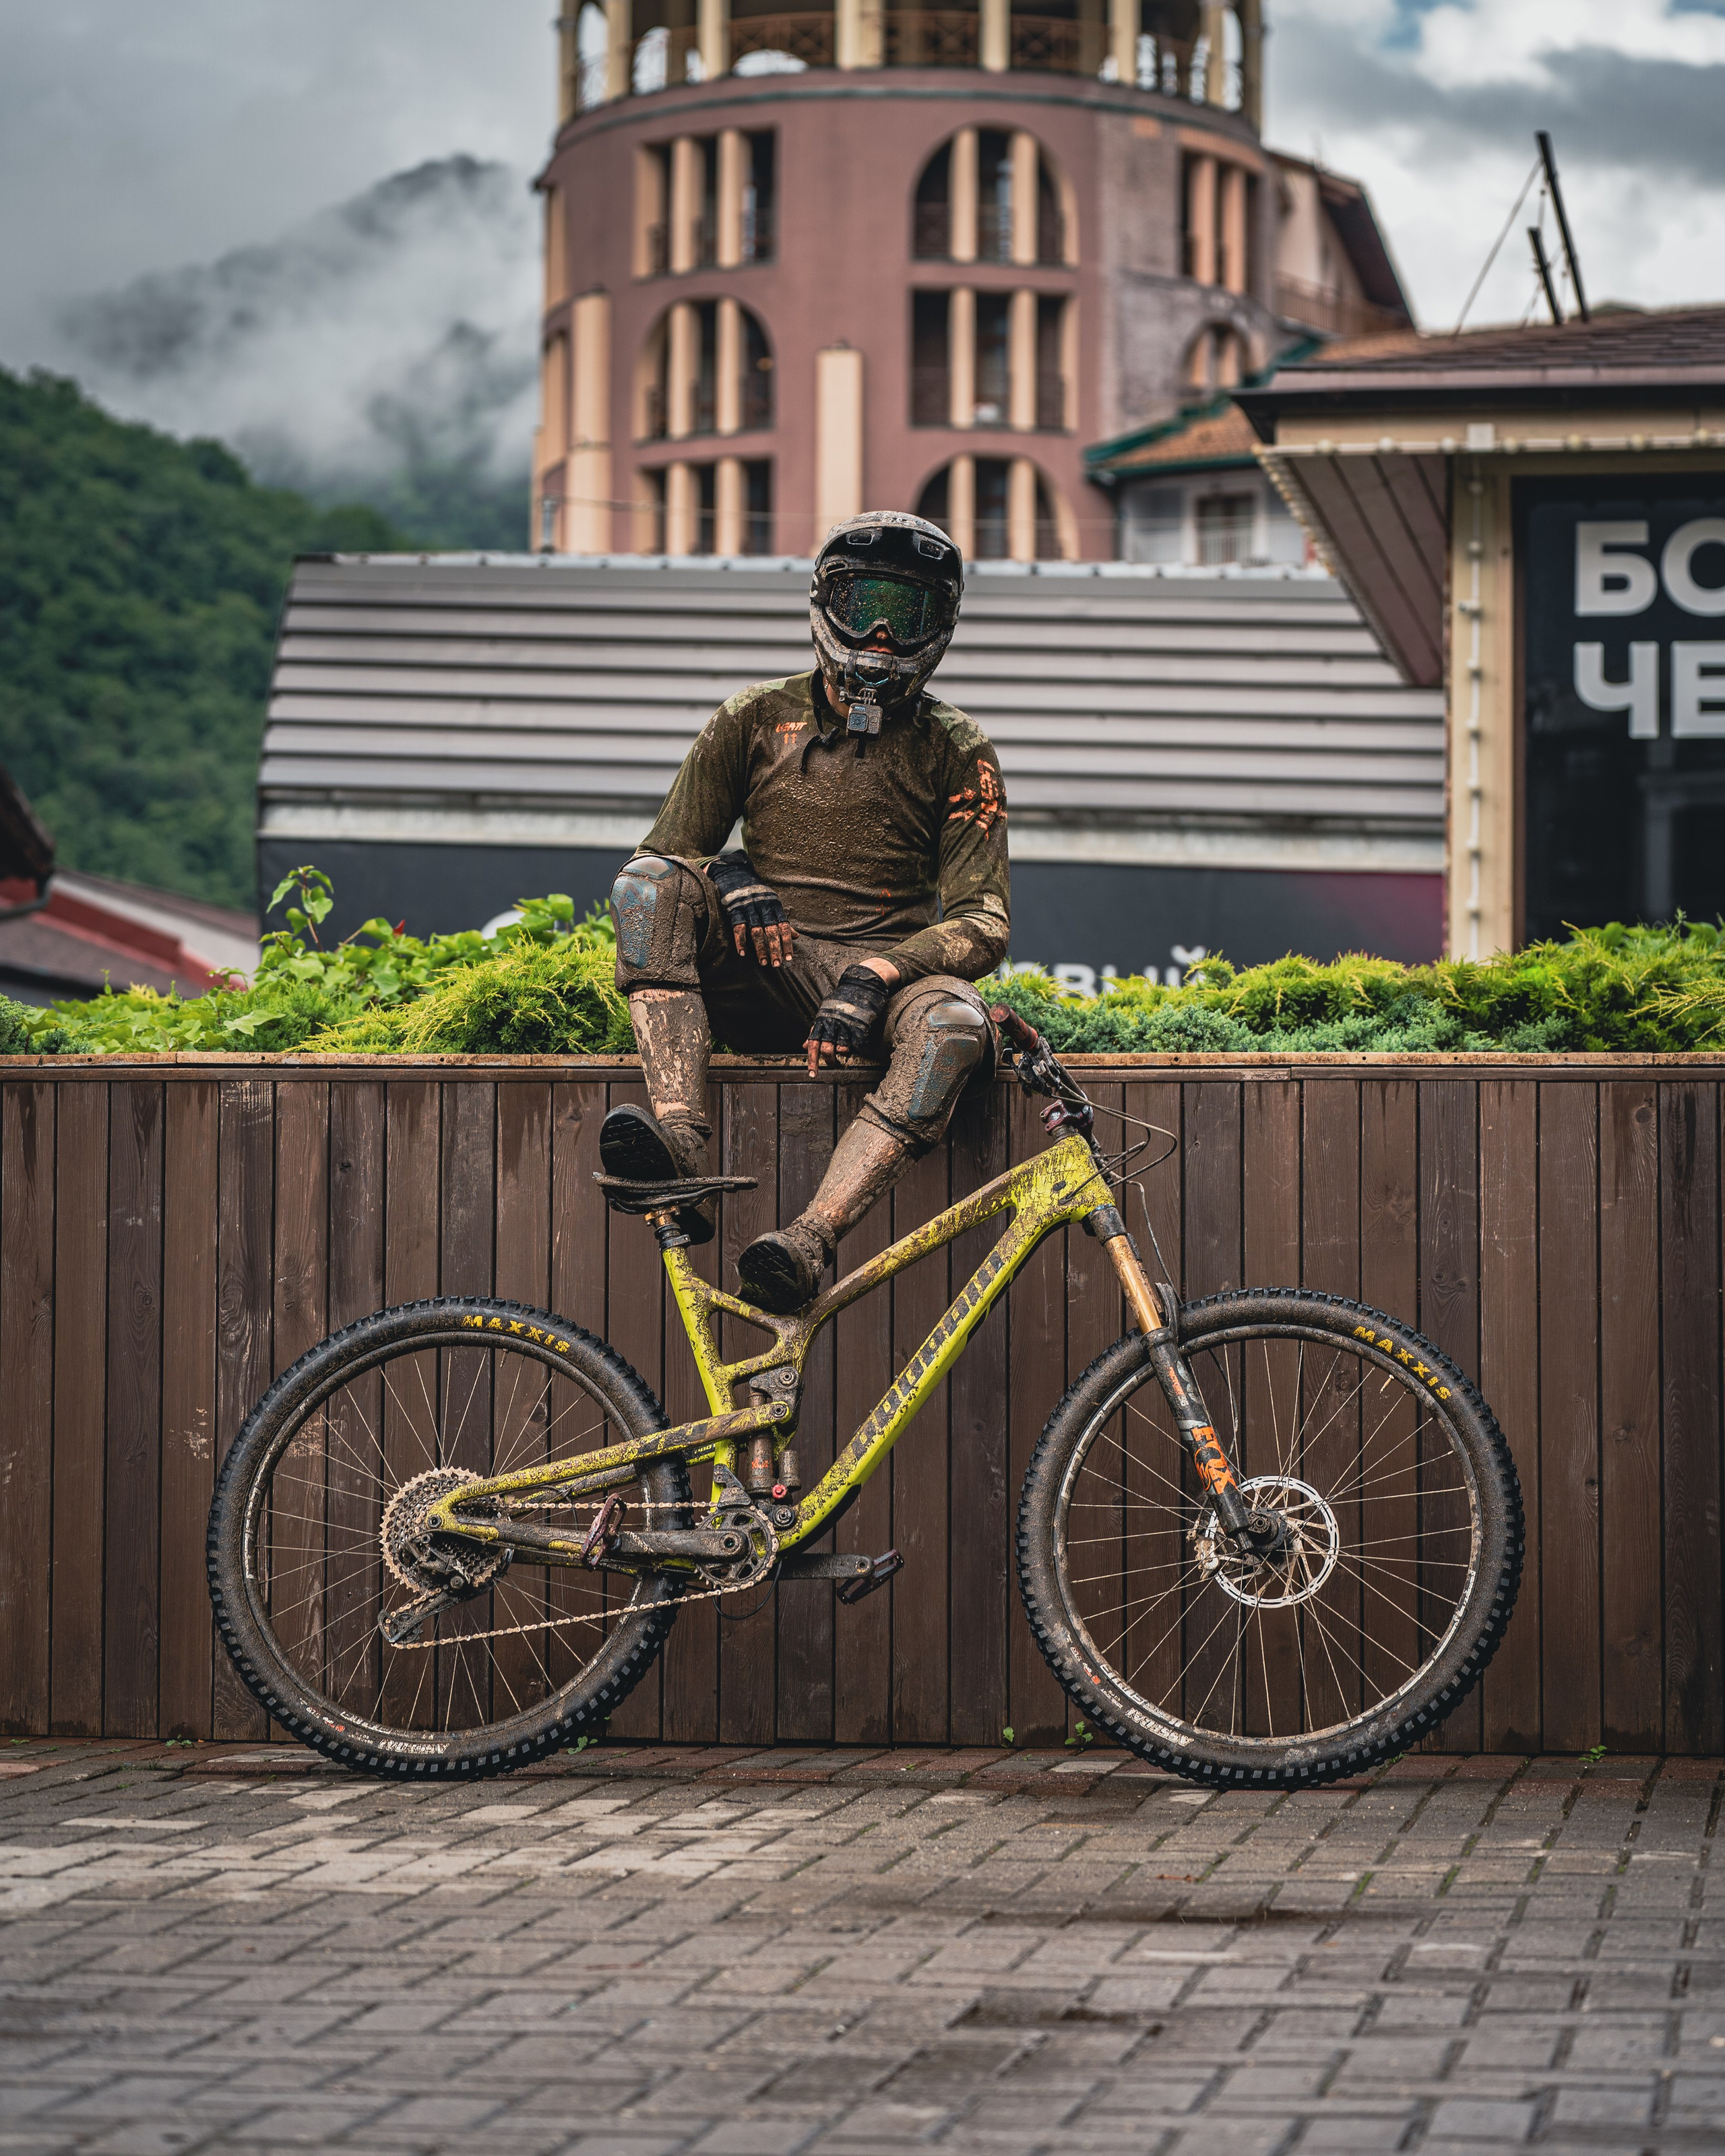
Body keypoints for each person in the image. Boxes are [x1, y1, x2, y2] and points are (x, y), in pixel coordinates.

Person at [602, 509, 1011, 1314]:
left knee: (955, 1029)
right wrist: (732, 873)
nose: (884, 635)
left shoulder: (957, 748)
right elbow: (663, 857)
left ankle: (809, 1240)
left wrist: (879, 971)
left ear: (943, 625)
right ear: (827, 603)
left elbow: (983, 919)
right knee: (647, 890)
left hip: (884, 992)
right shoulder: (752, 718)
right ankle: (680, 1146)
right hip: (768, 968)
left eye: (909, 612)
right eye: (865, 607)